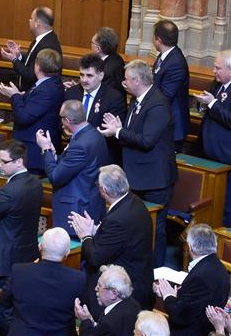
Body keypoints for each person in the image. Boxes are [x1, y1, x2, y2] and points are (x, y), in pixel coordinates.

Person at [98, 59, 176, 267]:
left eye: (126, 80)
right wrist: (119, 129)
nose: (123, 84)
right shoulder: (138, 99)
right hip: (138, 176)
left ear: (138, 80)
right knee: (136, 228)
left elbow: (147, 140)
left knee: (154, 230)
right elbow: (135, 132)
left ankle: (156, 271)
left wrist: (119, 132)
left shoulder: (157, 103)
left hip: (154, 181)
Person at [69, 164, 154, 311]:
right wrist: (97, 230)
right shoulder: (135, 202)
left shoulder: (118, 219)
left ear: (104, 190)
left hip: (126, 291)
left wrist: (85, 236)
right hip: (141, 276)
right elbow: (121, 239)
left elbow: (95, 258)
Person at [0, 140, 43, 288]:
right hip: (24, 254)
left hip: (2, 260)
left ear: (19, 162)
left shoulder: (9, 191)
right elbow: (14, 208)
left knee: (0, 305)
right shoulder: (35, 183)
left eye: (3, 161)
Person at [37, 99, 107, 235]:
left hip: (76, 210)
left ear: (67, 120)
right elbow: (73, 165)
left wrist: (45, 150)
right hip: (90, 203)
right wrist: (53, 155)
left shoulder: (80, 144)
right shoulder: (94, 135)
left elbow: (56, 177)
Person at [0, 227, 86, 336]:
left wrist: (15, 327)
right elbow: (83, 312)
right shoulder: (79, 279)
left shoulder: (19, 271)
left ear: (40, 246)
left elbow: (3, 305)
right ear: (67, 252)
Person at [154, 224, 230, 336]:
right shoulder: (217, 265)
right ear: (215, 245)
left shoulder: (200, 276)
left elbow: (180, 316)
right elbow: (196, 300)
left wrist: (168, 295)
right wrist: (179, 294)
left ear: (189, 246)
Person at [0, 48, 65, 174]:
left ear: (37, 66)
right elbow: (34, 106)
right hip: (33, 149)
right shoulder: (50, 83)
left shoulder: (46, 89)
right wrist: (19, 95)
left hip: (34, 153)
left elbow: (24, 117)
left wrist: (14, 96)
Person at [65, 53, 127, 165]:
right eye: (81, 75)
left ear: (101, 76)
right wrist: (65, 130)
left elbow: (110, 132)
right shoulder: (71, 93)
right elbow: (62, 121)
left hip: (100, 157)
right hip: (74, 155)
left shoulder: (114, 98)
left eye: (89, 76)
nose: (84, 80)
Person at [196, 50, 231, 224]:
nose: (213, 71)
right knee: (207, 200)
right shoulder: (216, 84)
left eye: (218, 68)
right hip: (207, 152)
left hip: (225, 156)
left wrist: (212, 103)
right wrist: (202, 104)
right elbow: (207, 104)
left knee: (225, 205)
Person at [0, 6, 62, 92]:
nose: (29, 21)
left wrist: (14, 60)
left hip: (33, 96)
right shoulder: (42, 39)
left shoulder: (47, 46)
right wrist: (18, 56)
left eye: (31, 18)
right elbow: (31, 64)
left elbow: (31, 75)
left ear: (37, 23)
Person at [152, 19, 190, 152]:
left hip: (173, 126)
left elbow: (166, 96)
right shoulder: (165, 56)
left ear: (158, 40)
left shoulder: (176, 63)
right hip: (164, 121)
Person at [75, 264, 141, 336]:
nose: (96, 289)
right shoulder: (134, 304)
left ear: (113, 293)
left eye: (99, 286)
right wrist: (91, 321)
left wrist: (85, 321)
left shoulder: (109, 324)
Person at [90, 26, 126, 95]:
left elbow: (99, 93)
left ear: (98, 49)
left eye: (92, 43)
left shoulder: (109, 70)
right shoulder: (115, 58)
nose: (91, 45)